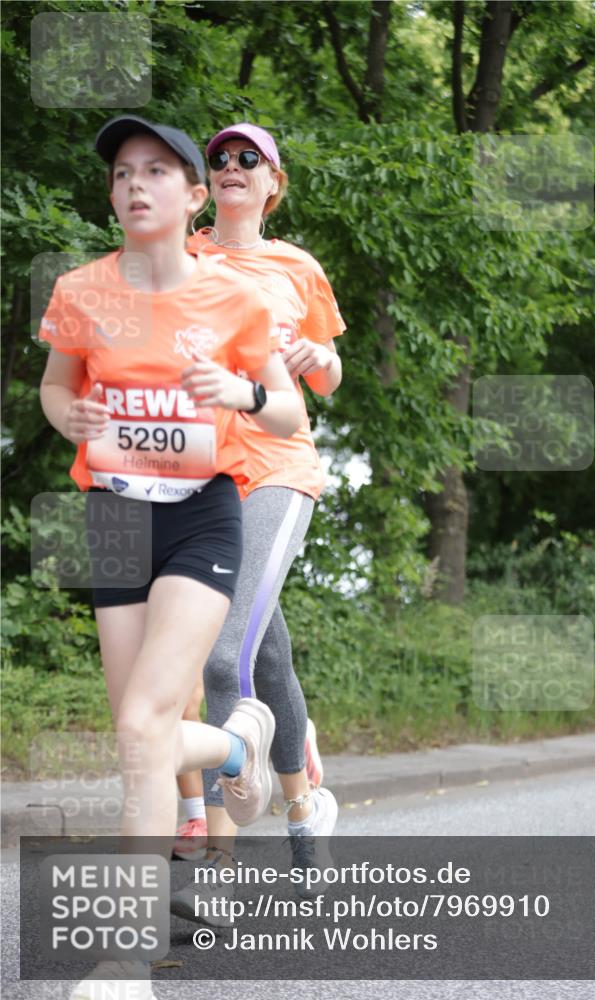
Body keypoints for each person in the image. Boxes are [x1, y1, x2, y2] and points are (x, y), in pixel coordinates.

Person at [39, 115, 302, 1000]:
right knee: (137, 734)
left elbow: (289, 419)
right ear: (113, 195)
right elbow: (57, 383)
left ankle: (123, 958)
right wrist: (63, 417)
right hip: (113, 514)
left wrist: (242, 390)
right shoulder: (81, 289)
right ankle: (236, 746)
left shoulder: (235, 298)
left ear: (193, 198)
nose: (136, 184)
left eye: (157, 171)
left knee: (146, 724)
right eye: (122, 173)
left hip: (202, 514)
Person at [170, 123, 345, 918]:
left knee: (217, 662)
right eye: (220, 160)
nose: (233, 167)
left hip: (278, 471)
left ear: (273, 183)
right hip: (199, 481)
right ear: (207, 184)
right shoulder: (182, 252)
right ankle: (305, 808)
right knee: (262, 658)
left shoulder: (296, 267)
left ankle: (218, 871)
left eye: (250, 160)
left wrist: (317, 362)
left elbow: (329, 369)